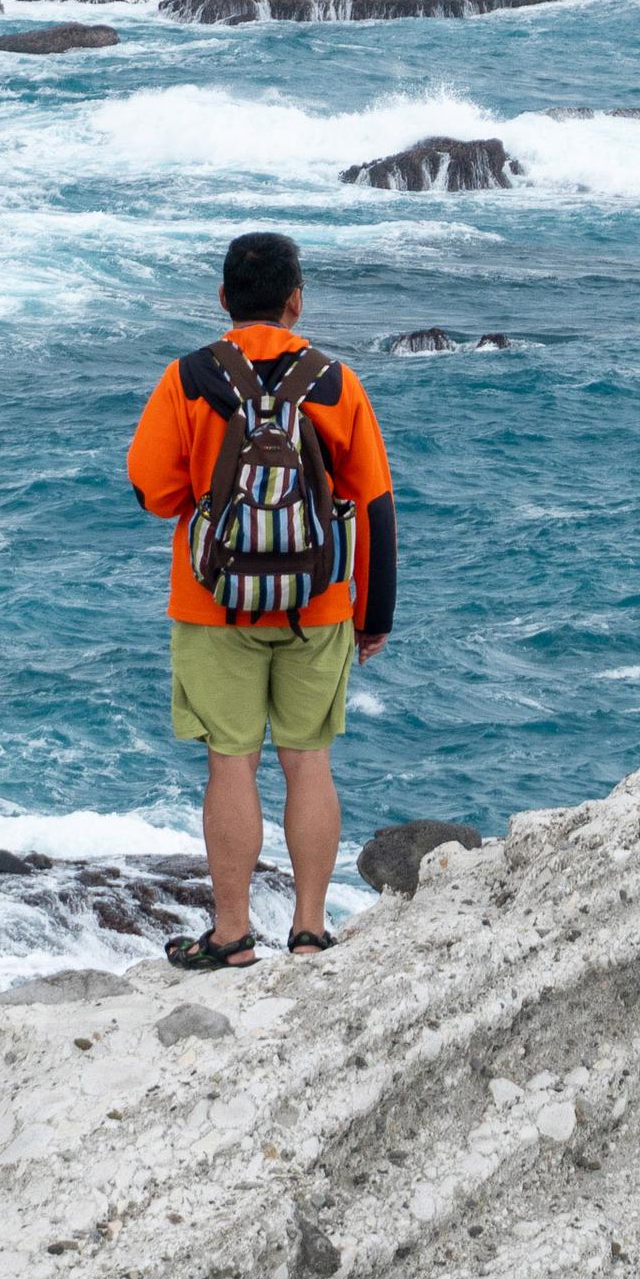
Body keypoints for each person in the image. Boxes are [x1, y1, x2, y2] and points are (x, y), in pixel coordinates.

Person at [125, 229, 397, 970]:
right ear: (296, 301)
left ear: (222, 300)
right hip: (317, 604)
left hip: (214, 604)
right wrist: (372, 617)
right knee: (308, 761)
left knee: (231, 763)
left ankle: (233, 934)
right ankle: (309, 930)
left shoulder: (187, 378)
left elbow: (153, 490)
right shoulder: (336, 382)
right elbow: (371, 503)